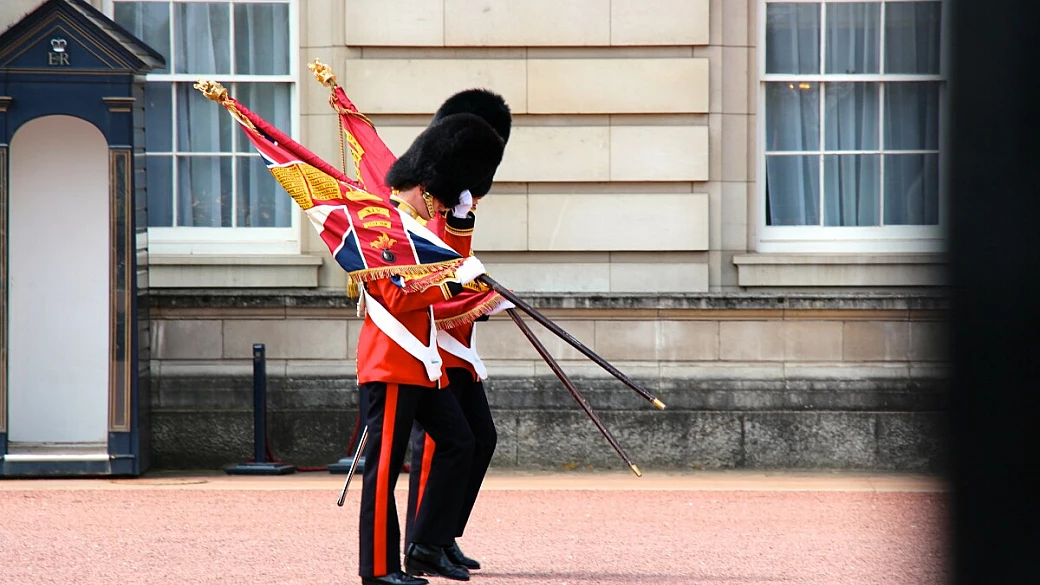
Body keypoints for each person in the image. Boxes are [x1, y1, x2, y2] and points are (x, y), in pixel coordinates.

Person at [357, 110, 505, 585]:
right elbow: (398, 295)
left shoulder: (414, 226)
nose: (436, 208)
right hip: (392, 362)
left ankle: (425, 547)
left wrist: (461, 225)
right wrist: (450, 286)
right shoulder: (381, 230)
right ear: (423, 188)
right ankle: (378, 568)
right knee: (383, 471)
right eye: (437, 200)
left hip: (420, 362)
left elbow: (445, 263)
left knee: (461, 442)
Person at [403, 89, 513, 574]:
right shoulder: (417, 204)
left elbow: (456, 259)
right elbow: (434, 277)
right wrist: (482, 299)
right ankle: (424, 542)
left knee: (480, 440)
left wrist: (463, 220)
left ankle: (442, 534)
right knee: (445, 447)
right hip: (427, 343)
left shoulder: (454, 200)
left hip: (456, 343)